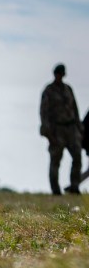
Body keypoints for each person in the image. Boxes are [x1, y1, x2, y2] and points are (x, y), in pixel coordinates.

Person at [40, 64, 83, 195]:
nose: (60, 75)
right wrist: (47, 131)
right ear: (55, 74)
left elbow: (75, 109)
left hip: (71, 128)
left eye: (62, 73)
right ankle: (55, 190)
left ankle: (74, 187)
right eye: (58, 73)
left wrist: (79, 128)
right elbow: (44, 112)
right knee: (55, 160)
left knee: (77, 157)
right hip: (56, 130)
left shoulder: (68, 89)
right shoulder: (48, 90)